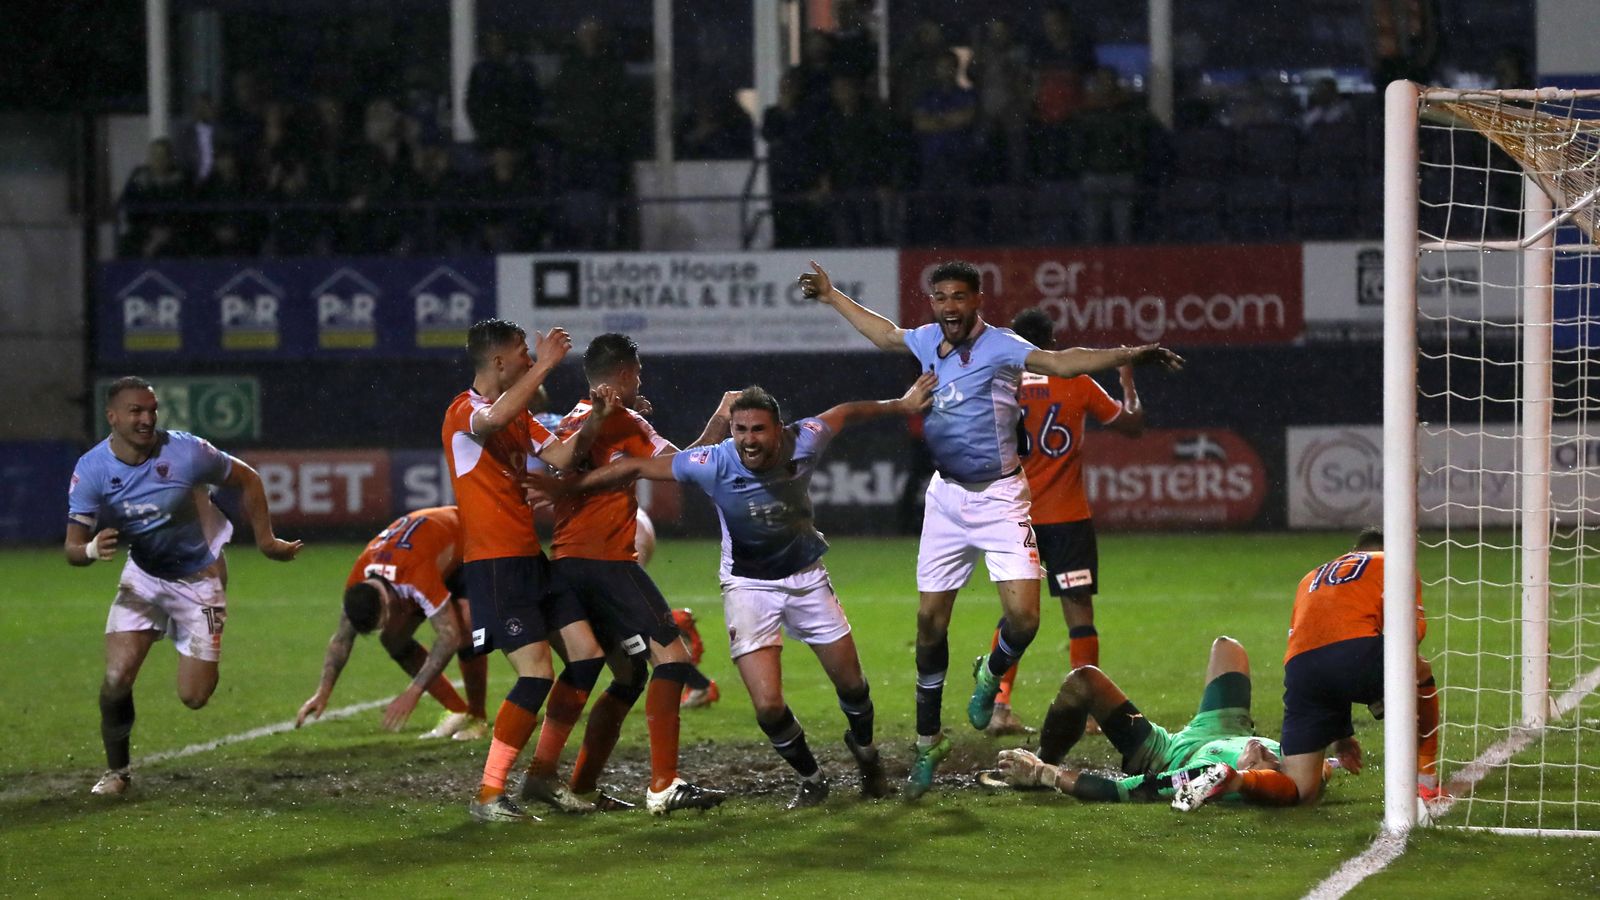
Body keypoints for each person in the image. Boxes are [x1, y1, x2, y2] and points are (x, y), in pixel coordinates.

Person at [800, 259, 1182, 799]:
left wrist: (1130, 354)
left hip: (1002, 498)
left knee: (1024, 620)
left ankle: (991, 671)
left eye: (959, 297)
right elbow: (885, 333)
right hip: (947, 500)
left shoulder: (1003, 346)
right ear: (933, 302)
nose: (950, 307)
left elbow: (1063, 361)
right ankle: (928, 741)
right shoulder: (927, 339)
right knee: (929, 627)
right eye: (941, 298)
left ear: (977, 301)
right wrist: (833, 295)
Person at [576, 377, 937, 808]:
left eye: (758, 430)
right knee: (767, 707)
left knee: (853, 686)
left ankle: (866, 753)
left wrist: (901, 404)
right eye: (740, 430)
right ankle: (812, 778)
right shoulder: (713, 461)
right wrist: (567, 488)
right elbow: (634, 467)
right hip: (748, 587)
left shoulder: (805, 438)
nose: (748, 440)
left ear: (778, 428)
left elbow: (845, 411)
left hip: (806, 579)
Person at [517, 333, 728, 816]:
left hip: (566, 561)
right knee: (672, 659)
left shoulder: (574, 420)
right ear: (628, 374)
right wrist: (722, 414)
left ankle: (568, 781)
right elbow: (687, 464)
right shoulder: (626, 419)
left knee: (626, 674)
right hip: (608, 563)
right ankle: (664, 784)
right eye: (639, 373)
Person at [66, 377, 301, 796]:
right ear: (112, 416)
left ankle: (199, 639)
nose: (146, 419)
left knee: (194, 697)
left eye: (152, 410)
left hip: (199, 580)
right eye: (136, 411)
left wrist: (266, 541)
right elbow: (71, 548)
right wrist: (88, 550)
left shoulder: (187, 451)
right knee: (117, 678)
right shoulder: (91, 468)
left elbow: (248, 478)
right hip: (144, 576)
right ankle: (117, 773)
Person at [443, 318, 620, 823]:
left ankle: (541, 776)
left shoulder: (518, 414)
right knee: (536, 674)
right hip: (495, 565)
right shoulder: (463, 411)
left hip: (529, 560)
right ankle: (488, 793)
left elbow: (564, 455)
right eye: (523, 352)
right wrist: (547, 362)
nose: (530, 357)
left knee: (586, 656)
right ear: (499, 361)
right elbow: (491, 422)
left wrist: (595, 420)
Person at [980, 307, 1146, 736]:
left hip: (1017, 519)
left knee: (1017, 615)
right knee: (1079, 613)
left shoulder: (1002, 387)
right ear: (1053, 341)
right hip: (1068, 518)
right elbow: (1132, 426)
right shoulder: (1077, 381)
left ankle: (999, 706)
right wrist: (1127, 381)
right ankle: (1090, 711)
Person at [990, 637, 1294, 810]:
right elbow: (1319, 770)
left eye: (1257, 759)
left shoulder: (1202, 775)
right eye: (1269, 755)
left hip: (1169, 753)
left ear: (1242, 773)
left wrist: (1044, 774)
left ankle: (1039, 760)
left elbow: (1121, 791)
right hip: (1227, 726)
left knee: (1083, 680)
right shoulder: (1289, 763)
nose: (1263, 750)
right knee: (1228, 646)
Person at [1264, 529, 1440, 807]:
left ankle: (1235, 779)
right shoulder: (1396, 563)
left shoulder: (1310, 577)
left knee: (1299, 789)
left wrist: (1341, 735)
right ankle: (1426, 775)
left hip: (1301, 671)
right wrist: (1385, 693)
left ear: (1354, 550)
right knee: (1419, 669)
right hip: (1356, 658)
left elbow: (1321, 645)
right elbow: (1410, 635)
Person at [293, 505, 490, 741]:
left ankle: (477, 717)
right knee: (393, 640)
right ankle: (459, 711)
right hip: (431, 554)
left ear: (387, 604)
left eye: (383, 621)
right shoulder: (360, 577)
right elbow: (341, 639)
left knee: (465, 627)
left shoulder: (414, 575)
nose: (384, 626)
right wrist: (323, 692)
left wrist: (413, 692)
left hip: (468, 542)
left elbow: (449, 636)